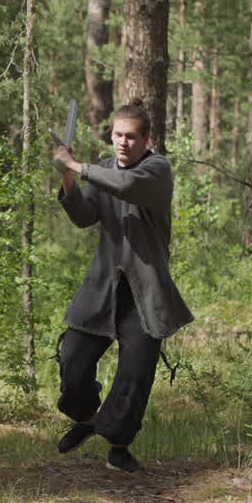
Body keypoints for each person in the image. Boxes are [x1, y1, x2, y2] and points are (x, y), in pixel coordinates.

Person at [50, 100, 193, 472]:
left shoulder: (157, 169)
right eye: (117, 135)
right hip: (104, 287)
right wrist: (67, 178)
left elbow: (127, 186)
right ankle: (86, 418)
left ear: (146, 139)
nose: (122, 142)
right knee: (73, 360)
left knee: (135, 373)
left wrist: (77, 166)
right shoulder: (105, 169)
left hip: (145, 292)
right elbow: (84, 216)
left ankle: (118, 444)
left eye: (130, 136)